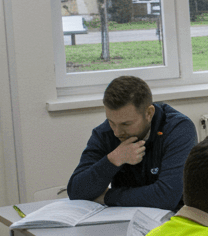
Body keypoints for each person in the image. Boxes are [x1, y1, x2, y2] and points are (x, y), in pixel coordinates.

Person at [67, 75, 196, 211]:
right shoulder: (105, 133)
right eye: (111, 122)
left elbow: (167, 197)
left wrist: (106, 197)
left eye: (126, 124)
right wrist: (112, 161)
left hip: (174, 219)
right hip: (124, 218)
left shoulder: (179, 129)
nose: (117, 132)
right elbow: (76, 192)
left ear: (149, 113)